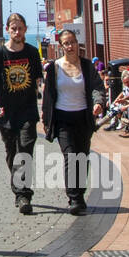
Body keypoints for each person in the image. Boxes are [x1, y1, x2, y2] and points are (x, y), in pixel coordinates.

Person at [41, 29, 105, 214]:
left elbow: (97, 87)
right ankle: (74, 197)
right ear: (61, 47)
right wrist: (46, 120)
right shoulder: (54, 68)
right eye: (66, 43)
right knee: (70, 156)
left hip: (83, 118)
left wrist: (98, 103)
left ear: (78, 44)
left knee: (82, 156)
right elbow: (48, 96)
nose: (70, 46)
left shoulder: (86, 66)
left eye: (73, 42)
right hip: (62, 118)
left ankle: (80, 193)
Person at [0, 13, 44, 215]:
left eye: (20, 28)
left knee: (25, 151)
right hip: (5, 113)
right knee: (12, 154)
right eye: (13, 28)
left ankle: (23, 195)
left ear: (25, 29)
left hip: (27, 111)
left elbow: (38, 82)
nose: (17, 32)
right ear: (7, 29)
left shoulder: (32, 52)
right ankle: (18, 187)